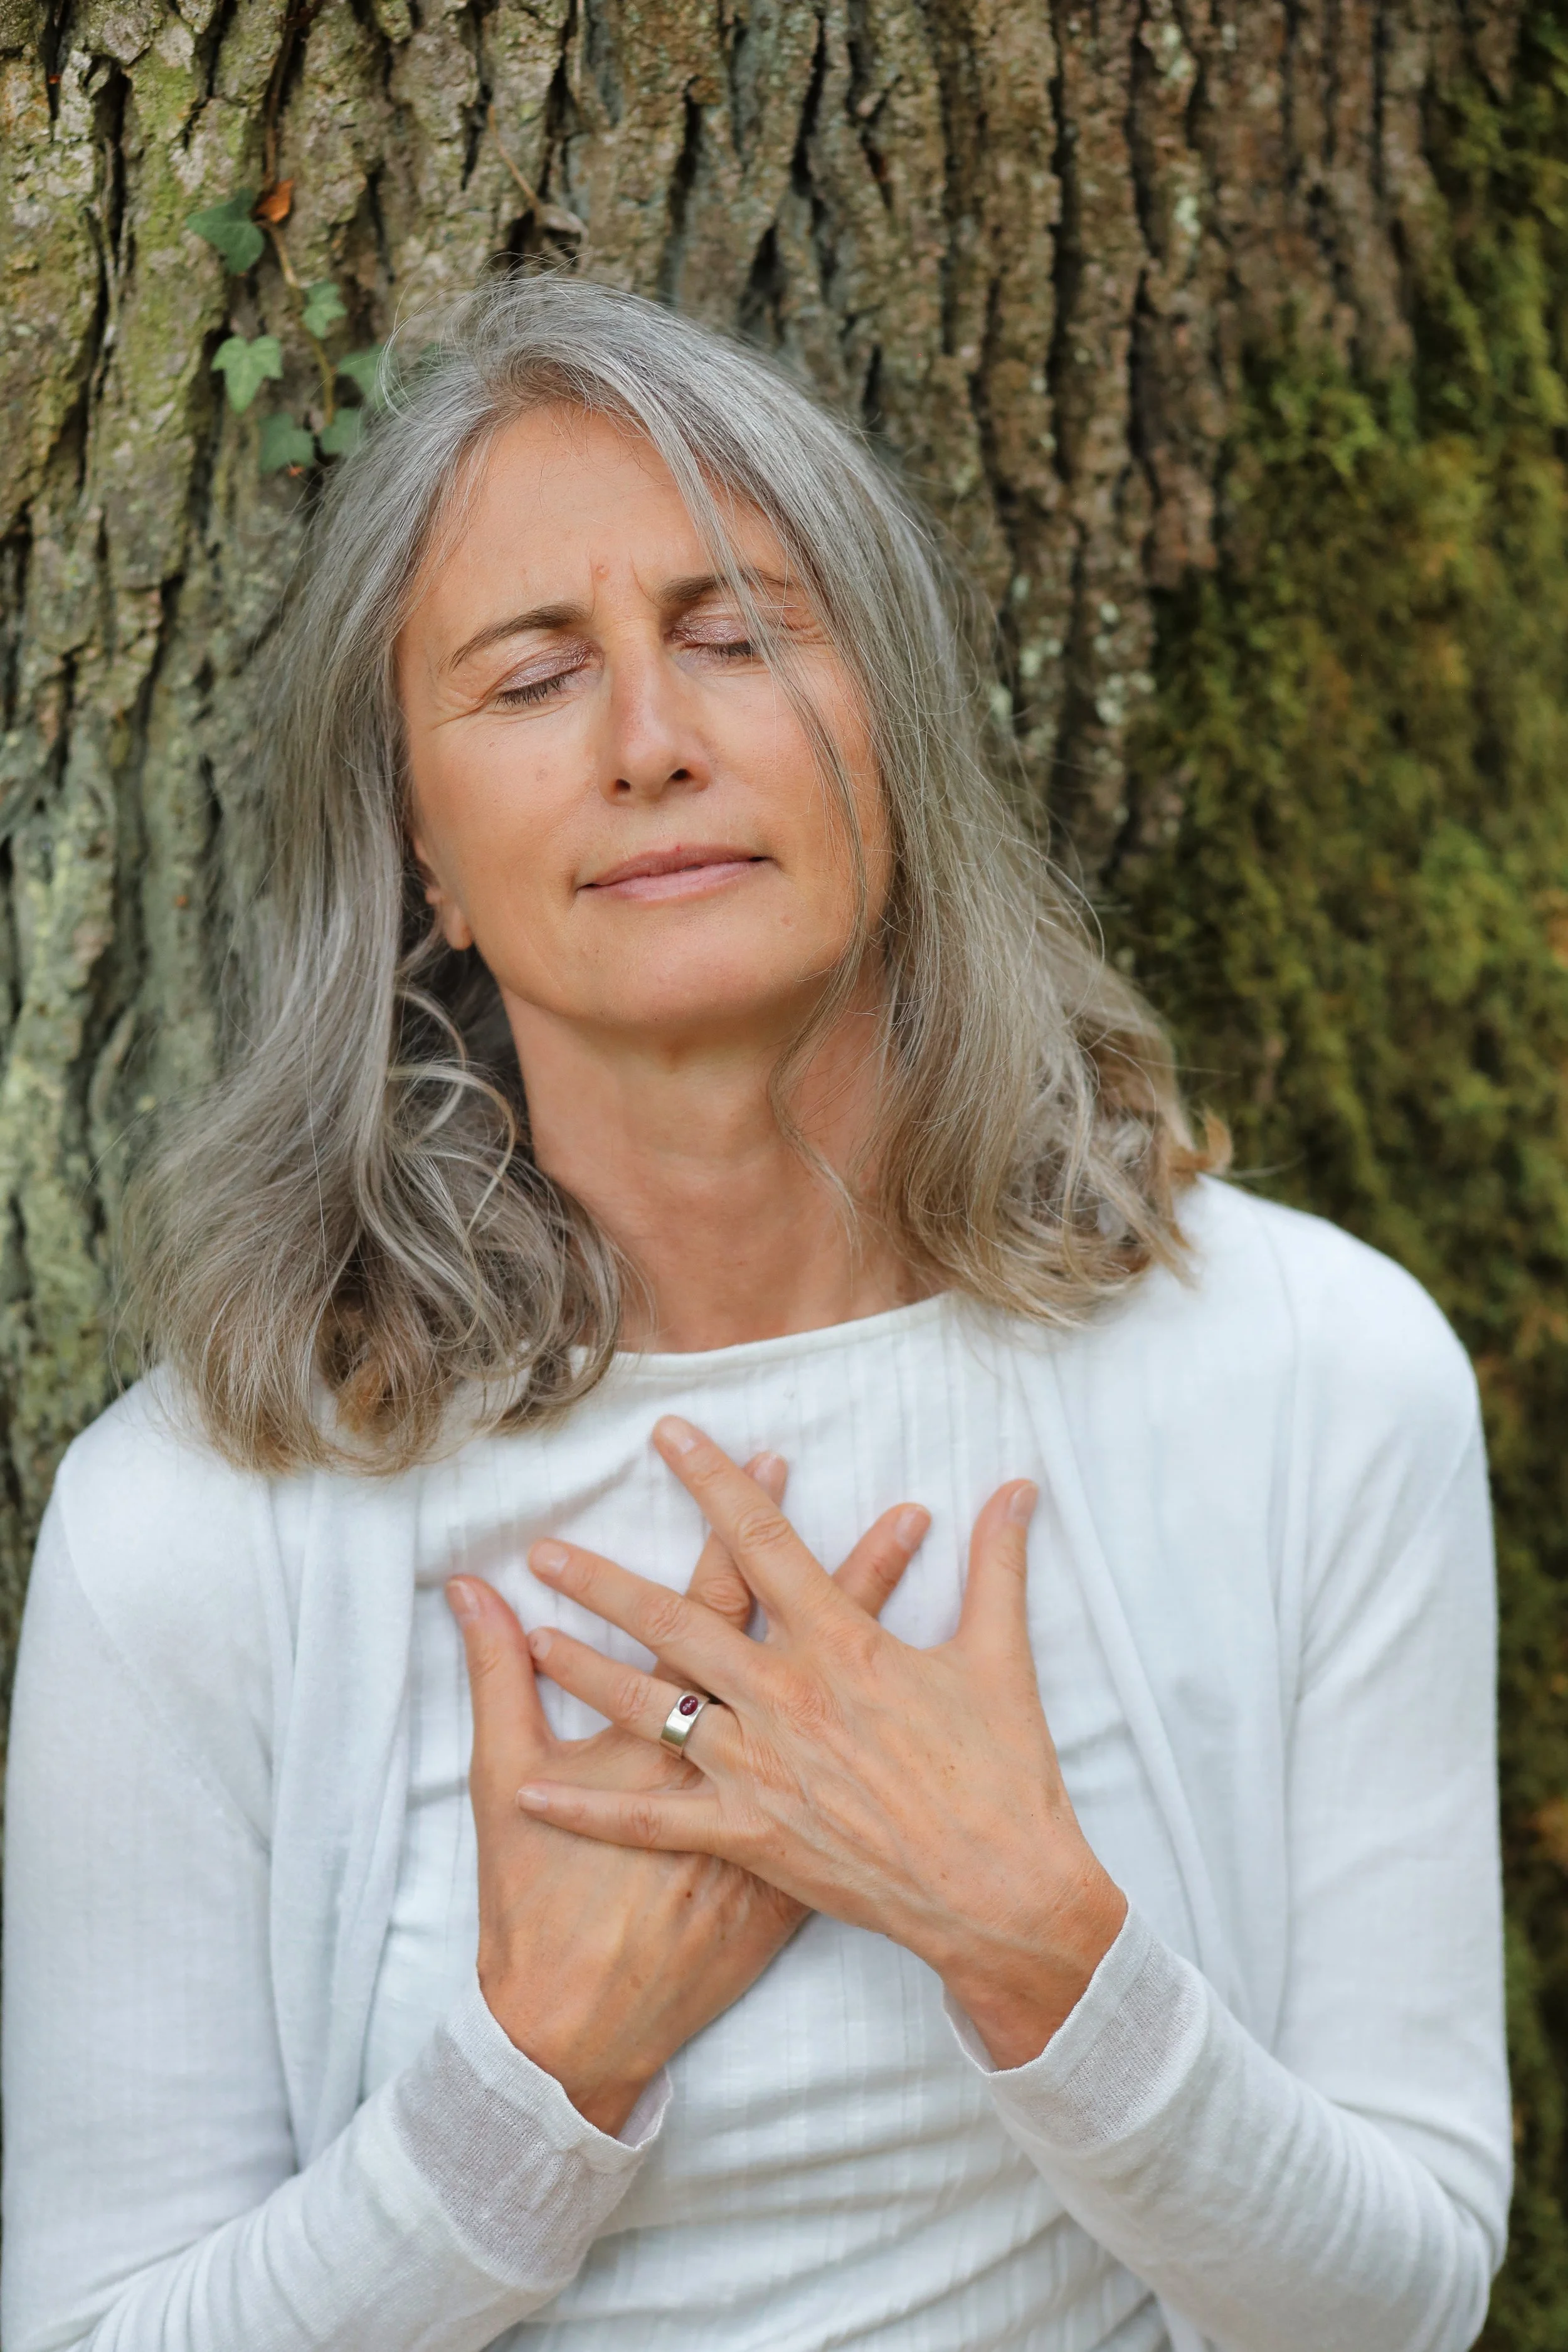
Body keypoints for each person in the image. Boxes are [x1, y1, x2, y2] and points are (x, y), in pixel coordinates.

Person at [1, 275, 1508, 2352]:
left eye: (738, 635)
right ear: (422, 845)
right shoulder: (201, 1523)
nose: (652, 740)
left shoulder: (1312, 1380)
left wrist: (1036, 1946)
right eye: (533, 679)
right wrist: (536, 2080)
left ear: (889, 730)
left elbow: (1402, 2305)